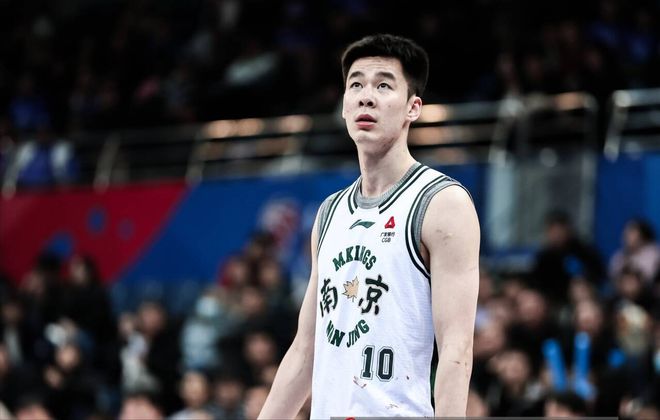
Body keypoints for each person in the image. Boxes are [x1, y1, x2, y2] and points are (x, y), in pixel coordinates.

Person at [258, 34, 480, 418]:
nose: (366, 97)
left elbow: (456, 348)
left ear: (413, 107)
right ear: (344, 105)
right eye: (356, 85)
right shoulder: (329, 213)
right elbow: (305, 351)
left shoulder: (443, 203)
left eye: (383, 86)